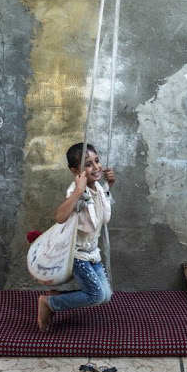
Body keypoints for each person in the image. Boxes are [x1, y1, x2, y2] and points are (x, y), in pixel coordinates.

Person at [36, 142, 116, 332]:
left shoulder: (97, 187)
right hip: (77, 254)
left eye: (96, 161)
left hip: (92, 252)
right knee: (96, 295)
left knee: (106, 296)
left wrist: (109, 185)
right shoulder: (76, 190)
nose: (96, 167)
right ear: (75, 171)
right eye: (88, 164)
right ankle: (49, 303)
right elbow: (60, 217)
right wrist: (79, 191)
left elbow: (102, 216)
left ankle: (56, 297)